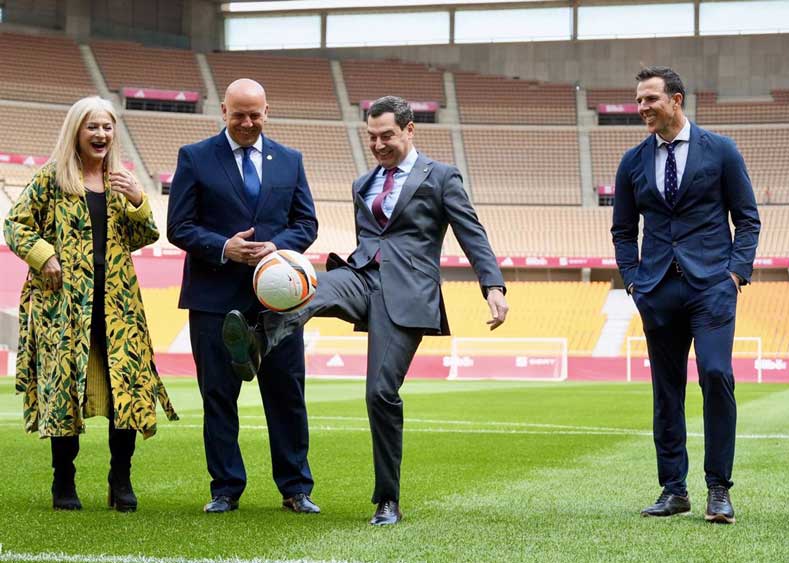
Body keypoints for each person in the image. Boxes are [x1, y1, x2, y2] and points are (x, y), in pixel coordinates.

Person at [222, 95, 509, 526]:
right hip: (360, 277)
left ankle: (388, 499)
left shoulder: (441, 177)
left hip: (407, 295)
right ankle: (257, 343)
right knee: (308, 287)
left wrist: (493, 286)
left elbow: (473, 234)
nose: (377, 145)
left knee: (380, 394)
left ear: (409, 130)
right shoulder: (362, 183)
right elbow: (370, 240)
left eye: (386, 136)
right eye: (371, 137)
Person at [3, 96, 177, 512]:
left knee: (126, 388)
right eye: (92, 127)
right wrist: (45, 256)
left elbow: (144, 236)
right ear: (76, 132)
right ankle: (63, 480)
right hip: (64, 305)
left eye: (107, 127)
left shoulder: (121, 181)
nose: (101, 134)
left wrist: (138, 201)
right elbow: (15, 225)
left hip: (118, 303)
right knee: (66, 388)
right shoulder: (51, 178)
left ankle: (121, 479)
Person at [611, 66, 760, 524]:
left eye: (650, 99)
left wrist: (735, 274)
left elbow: (747, 219)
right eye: (638, 100)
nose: (642, 108)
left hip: (711, 287)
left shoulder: (721, 150)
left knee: (716, 375)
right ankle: (674, 489)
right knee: (666, 391)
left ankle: (719, 489)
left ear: (676, 100)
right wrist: (634, 281)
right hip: (656, 290)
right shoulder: (632, 162)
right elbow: (622, 231)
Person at [167, 79, 320, 514]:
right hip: (214, 299)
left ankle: (296, 488)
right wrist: (224, 247)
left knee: (287, 395)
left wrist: (277, 246)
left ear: (266, 112)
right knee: (218, 396)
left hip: (279, 303)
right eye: (239, 115)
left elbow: (306, 223)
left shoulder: (290, 160)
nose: (248, 122)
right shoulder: (195, 157)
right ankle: (225, 489)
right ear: (223, 111)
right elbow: (178, 226)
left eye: (255, 114)